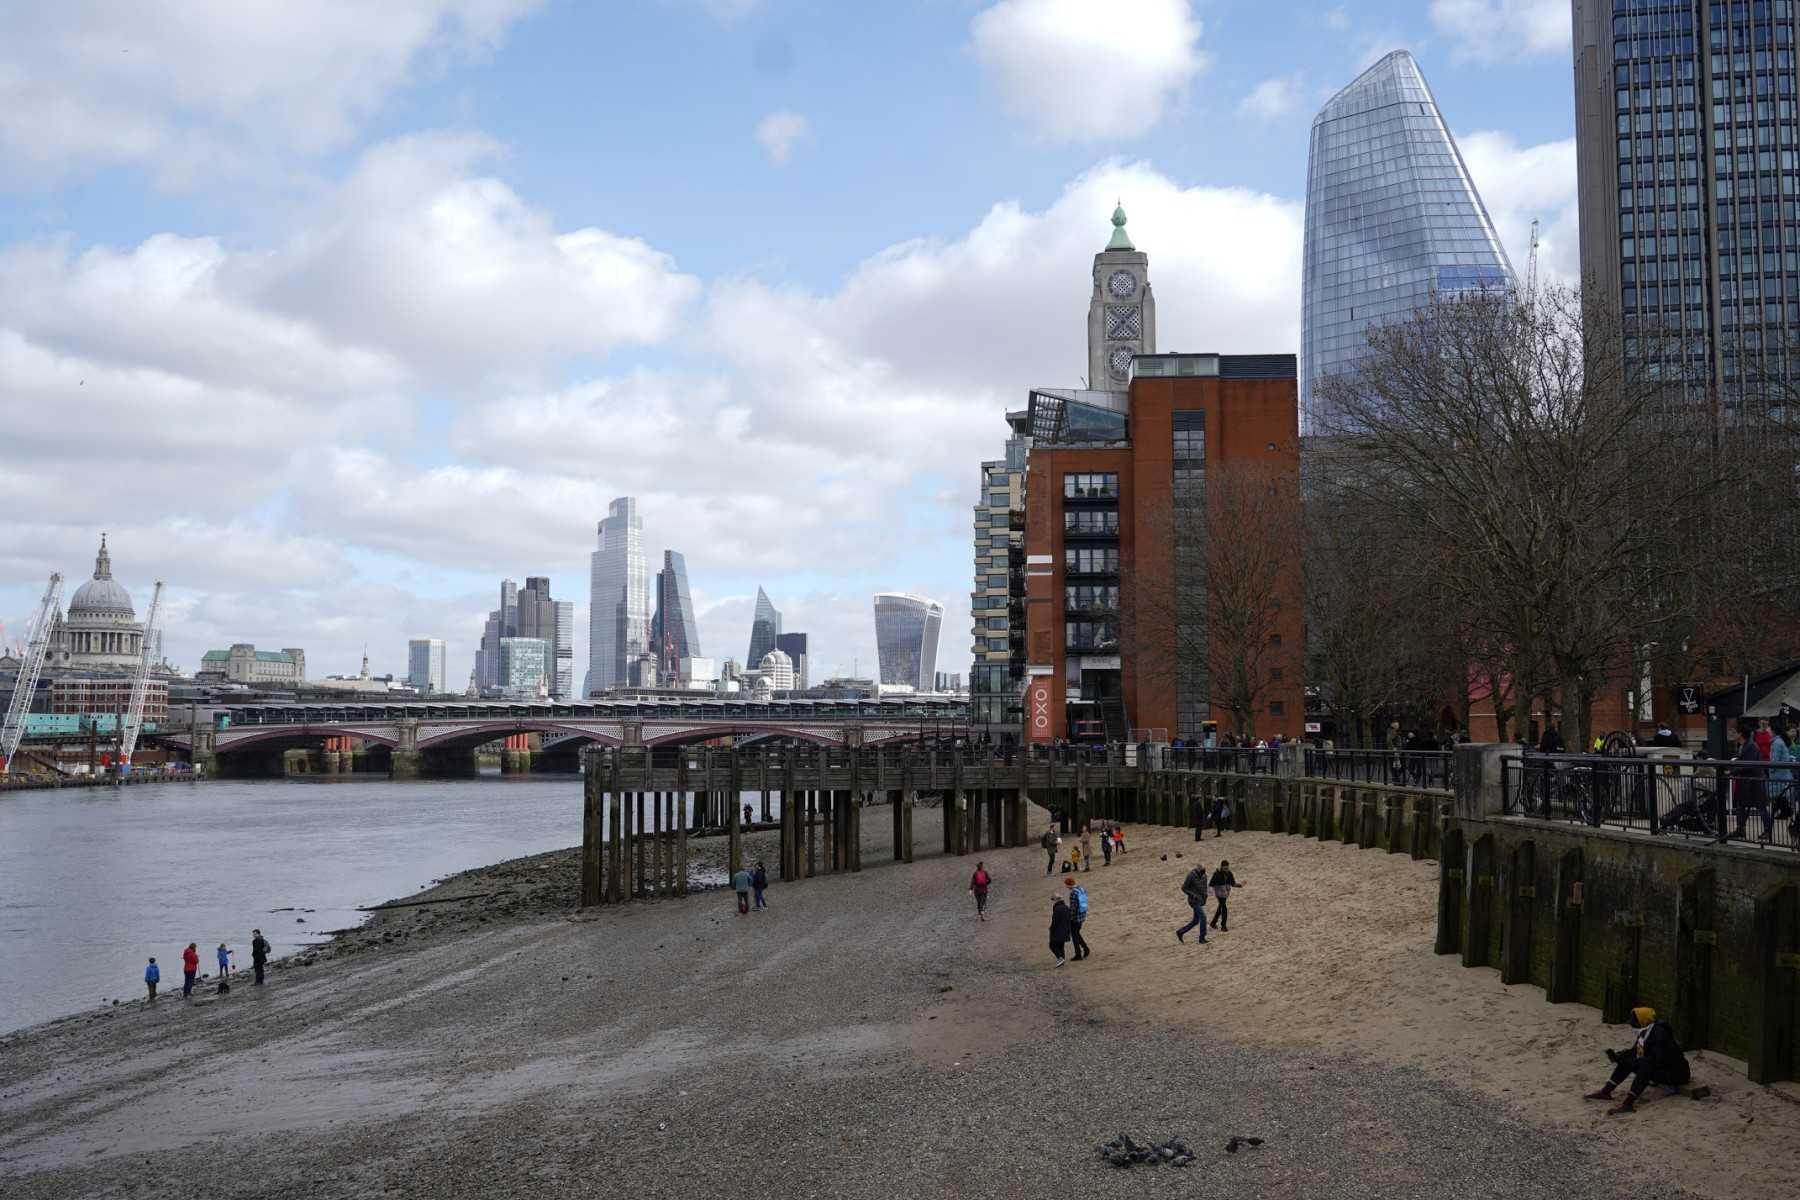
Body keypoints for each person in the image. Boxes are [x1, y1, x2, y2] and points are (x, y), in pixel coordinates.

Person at [1584, 1006, 1690, 1115]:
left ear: (1643, 1021)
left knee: (1645, 1065)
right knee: (1628, 1060)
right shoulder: (1645, 1031)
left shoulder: (1660, 1035)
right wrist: (1620, 1057)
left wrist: (1636, 1062)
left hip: (1676, 1074)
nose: (1631, 1025)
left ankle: (1628, 1103)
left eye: (1634, 1023)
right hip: (1659, 1068)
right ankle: (1606, 1092)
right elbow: (1637, 1051)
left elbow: (1657, 1060)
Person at [1729, 725, 1771, 841]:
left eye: (1734, 732)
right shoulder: (1744, 745)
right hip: (1747, 782)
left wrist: (1733, 770)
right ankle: (1740, 829)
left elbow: (1748, 764)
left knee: (1761, 807)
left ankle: (1768, 830)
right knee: (1741, 806)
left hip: (1753, 782)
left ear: (1740, 734)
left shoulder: (1750, 746)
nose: (1733, 735)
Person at [1175, 862, 1209, 944]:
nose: (1203, 873)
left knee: (1195, 921)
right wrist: (1192, 895)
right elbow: (1184, 888)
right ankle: (1202, 938)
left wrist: (1205, 896)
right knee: (1203, 917)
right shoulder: (1190, 876)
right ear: (1198, 871)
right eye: (1202, 871)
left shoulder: (1205, 876)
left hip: (1200, 900)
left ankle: (1180, 932)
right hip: (1193, 901)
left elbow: (1204, 888)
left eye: (1204, 871)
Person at [1209, 860, 1241, 932]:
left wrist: (1240, 885)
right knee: (1224, 908)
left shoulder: (1229, 873)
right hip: (1219, 894)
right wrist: (1211, 892)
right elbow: (1211, 884)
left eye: (1227, 868)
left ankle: (1213, 923)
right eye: (1225, 868)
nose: (1226, 870)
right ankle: (1223, 926)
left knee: (1220, 907)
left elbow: (1233, 883)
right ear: (1222, 867)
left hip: (1226, 893)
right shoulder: (1216, 874)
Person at [1065, 876, 1091, 960]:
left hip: (1076, 917)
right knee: (1076, 933)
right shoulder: (1081, 889)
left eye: (1066, 885)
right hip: (1082, 914)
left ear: (1069, 885)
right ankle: (1085, 949)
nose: (1066, 887)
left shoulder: (1073, 893)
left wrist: (1070, 918)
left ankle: (1078, 953)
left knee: (1074, 935)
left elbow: (1073, 908)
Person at [1049, 895, 1073, 967]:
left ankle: (1060, 958)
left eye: (1053, 900)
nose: (1052, 902)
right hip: (1066, 929)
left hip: (1058, 930)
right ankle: (1062, 959)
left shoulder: (1057, 909)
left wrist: (1051, 929)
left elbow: (1054, 922)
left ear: (1056, 900)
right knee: (1061, 945)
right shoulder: (1066, 907)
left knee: (1052, 945)